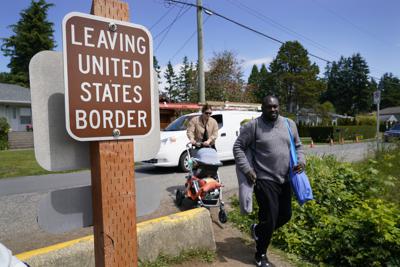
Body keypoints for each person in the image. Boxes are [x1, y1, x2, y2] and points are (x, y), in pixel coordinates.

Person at [233, 95, 305, 267]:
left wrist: (301, 161)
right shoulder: (254, 126)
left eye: (275, 106)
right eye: (269, 107)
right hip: (264, 179)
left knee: (286, 215)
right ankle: (260, 255)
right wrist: (247, 169)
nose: (273, 109)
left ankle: (258, 230)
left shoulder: (289, 124)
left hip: (285, 178)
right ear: (262, 108)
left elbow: (298, 146)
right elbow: (238, 147)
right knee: (270, 218)